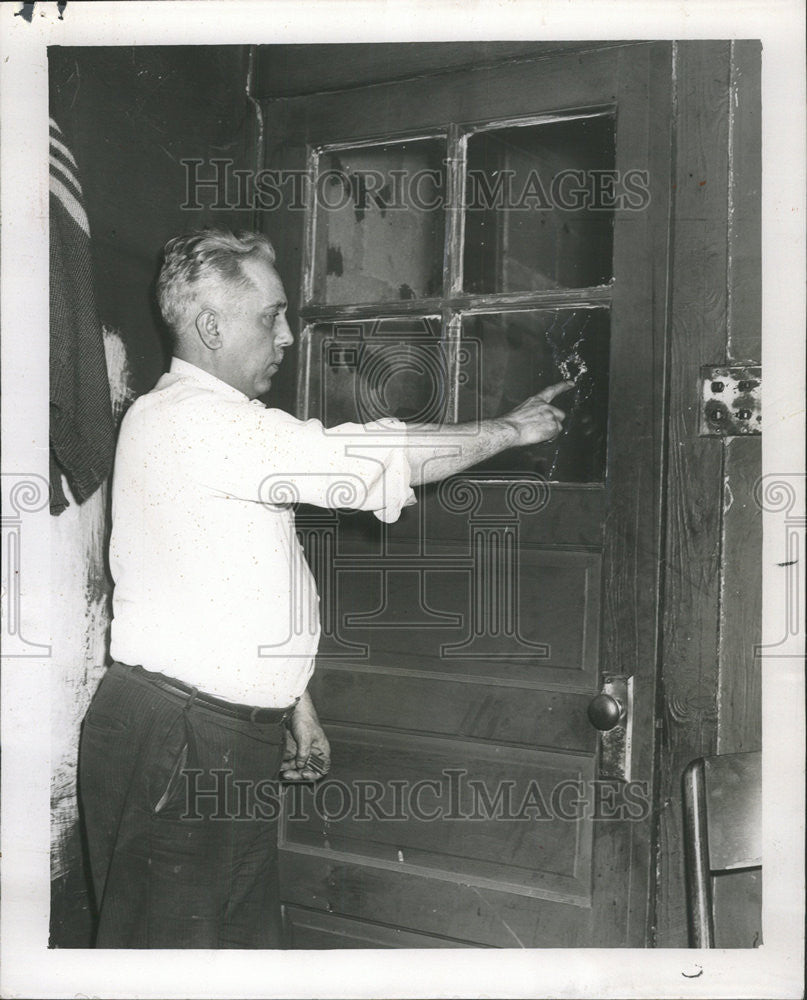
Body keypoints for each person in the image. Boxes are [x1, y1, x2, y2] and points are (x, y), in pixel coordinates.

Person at [78, 228, 571, 948]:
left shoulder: (225, 427)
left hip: (211, 732)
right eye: (269, 316)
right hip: (179, 740)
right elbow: (367, 459)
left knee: (233, 959)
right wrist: (508, 429)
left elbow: (236, 578)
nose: (285, 335)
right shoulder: (192, 421)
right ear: (211, 325)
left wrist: (289, 699)